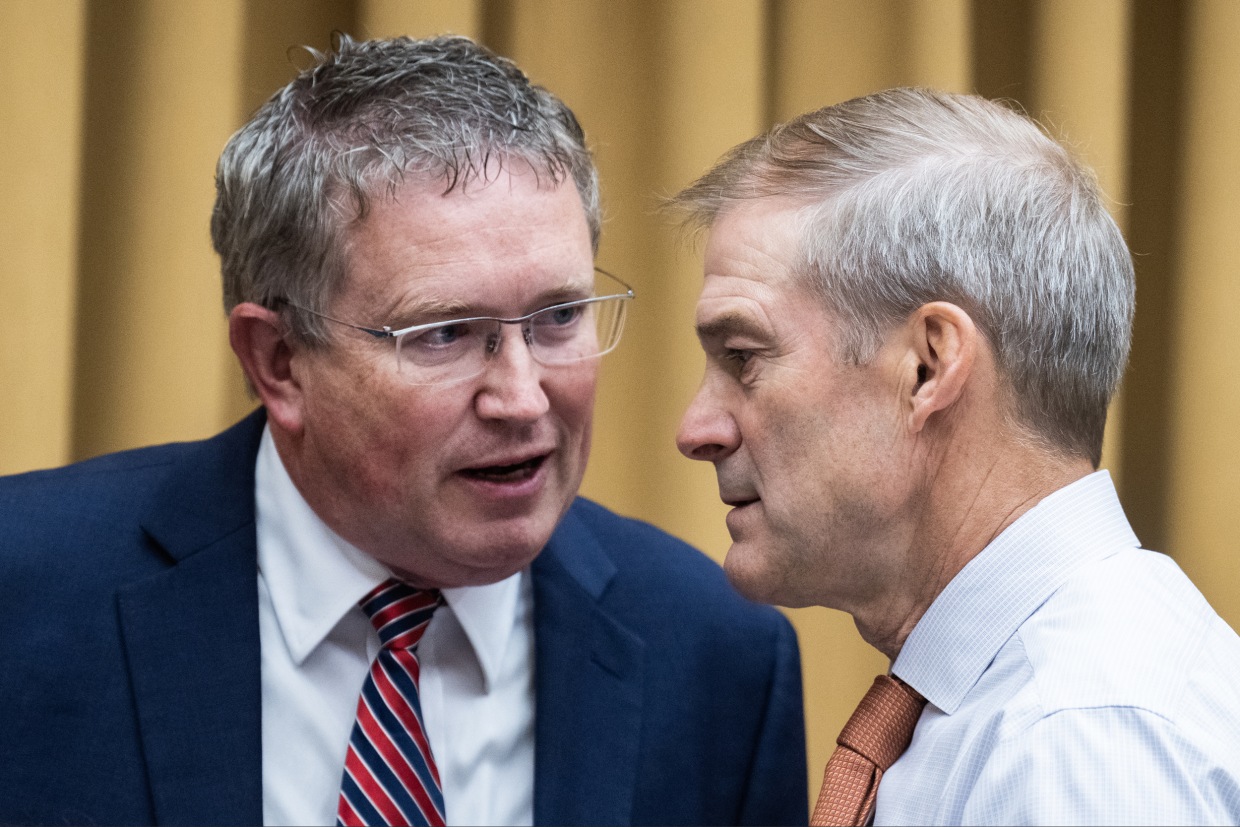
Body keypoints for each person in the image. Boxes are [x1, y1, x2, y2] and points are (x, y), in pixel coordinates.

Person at [0, 35, 806, 827]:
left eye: (558, 317)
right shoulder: (25, 593)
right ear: (278, 360)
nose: (523, 399)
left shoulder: (715, 656)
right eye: (445, 333)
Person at [671, 87, 1240, 825]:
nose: (696, 427)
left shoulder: (1074, 741)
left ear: (928, 367)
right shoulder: (1031, 709)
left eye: (744, 356)